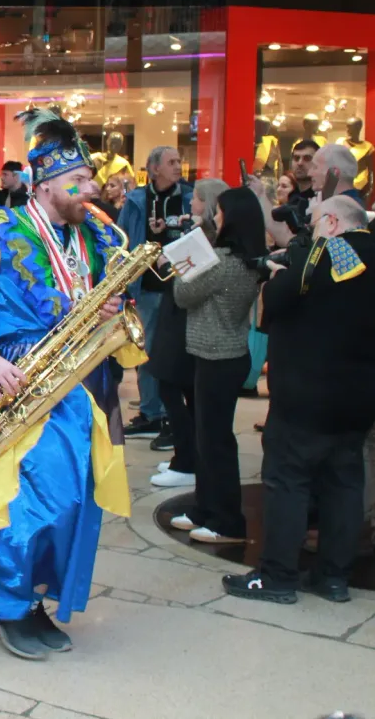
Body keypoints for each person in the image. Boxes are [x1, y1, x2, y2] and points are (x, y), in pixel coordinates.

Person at [0, 108, 133, 661]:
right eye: (78, 183)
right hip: (18, 380)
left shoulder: (90, 233)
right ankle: (5, 604)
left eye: (88, 181)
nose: (89, 191)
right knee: (20, 501)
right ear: (45, 186)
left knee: (72, 499)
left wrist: (108, 308)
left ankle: (33, 601)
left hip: (73, 378)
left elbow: (85, 295)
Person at [224, 196, 375, 604]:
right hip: (362, 396)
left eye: (312, 222)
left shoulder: (323, 253)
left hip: (306, 393)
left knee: (288, 483)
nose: (308, 231)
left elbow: (274, 307)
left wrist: (274, 277)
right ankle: (333, 577)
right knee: (344, 485)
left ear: (331, 221)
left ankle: (277, 576)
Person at [168, 187, 266, 545]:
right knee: (207, 438)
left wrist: (184, 262)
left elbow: (183, 294)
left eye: (220, 213)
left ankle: (226, 519)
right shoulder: (248, 259)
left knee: (215, 442)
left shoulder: (224, 263)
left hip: (218, 358)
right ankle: (205, 508)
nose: (215, 218)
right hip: (222, 355)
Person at [149, 178, 229, 487]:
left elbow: (171, 267)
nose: (190, 202)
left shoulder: (205, 237)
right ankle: (187, 456)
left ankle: (186, 460)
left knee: (174, 389)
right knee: (180, 392)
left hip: (185, 322)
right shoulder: (198, 232)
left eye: (195, 198)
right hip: (177, 317)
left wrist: (173, 253)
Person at [117, 146, 191, 440]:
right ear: (154, 168)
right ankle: (151, 412)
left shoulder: (188, 198)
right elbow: (123, 240)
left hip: (182, 288)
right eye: (172, 162)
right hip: (146, 288)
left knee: (176, 353)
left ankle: (173, 415)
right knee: (145, 352)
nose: (178, 166)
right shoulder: (136, 201)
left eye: (179, 160)